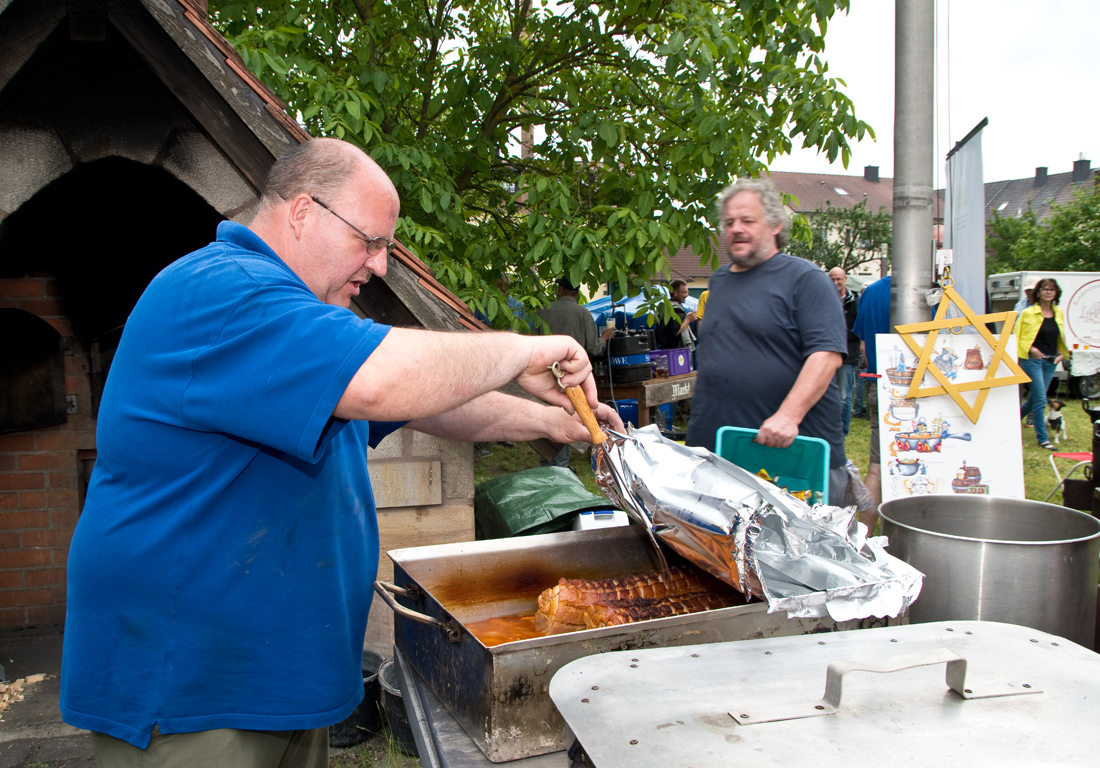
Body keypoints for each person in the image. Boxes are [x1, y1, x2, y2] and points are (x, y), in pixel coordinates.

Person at [60, 138, 623, 766]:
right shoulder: (224, 292)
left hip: (270, 680)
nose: (379, 266)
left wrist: (553, 423)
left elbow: (431, 402)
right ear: (303, 212)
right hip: (192, 690)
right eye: (370, 241)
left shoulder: (295, 321)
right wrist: (524, 352)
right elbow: (384, 378)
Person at [685, 178, 849, 506]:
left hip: (790, 453)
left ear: (775, 225)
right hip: (719, 449)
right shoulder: (719, 281)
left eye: (748, 220)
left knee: (797, 555)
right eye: (730, 222)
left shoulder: (807, 279)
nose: (736, 229)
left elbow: (827, 355)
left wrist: (789, 416)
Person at [537, 277, 616, 466]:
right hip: (574, 375)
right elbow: (595, 348)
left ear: (561, 290)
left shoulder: (542, 310)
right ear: (577, 293)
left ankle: (551, 463)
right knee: (570, 413)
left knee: (548, 417)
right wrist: (605, 336)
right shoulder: (583, 313)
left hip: (545, 374)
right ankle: (562, 466)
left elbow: (533, 341)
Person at [851, 274, 891, 522]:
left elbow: (864, 345)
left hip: (883, 383)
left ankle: (862, 541)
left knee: (876, 467)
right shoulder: (935, 290)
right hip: (930, 390)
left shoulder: (873, 291)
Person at [1014, 277, 1070, 450]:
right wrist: (1032, 349)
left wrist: (1061, 354)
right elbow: (1017, 335)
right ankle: (1043, 439)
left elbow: (1058, 335)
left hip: (1051, 361)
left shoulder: (1058, 312)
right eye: (1044, 289)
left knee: (1033, 400)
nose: (1048, 292)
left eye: (1051, 289)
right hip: (1032, 360)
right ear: (1038, 292)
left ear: (1056, 293)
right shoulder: (1028, 312)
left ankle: (1010, 424)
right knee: (1040, 398)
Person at [828, 267, 860, 435]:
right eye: (832, 279)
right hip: (827, 353)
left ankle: (842, 431)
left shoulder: (855, 300)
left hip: (847, 354)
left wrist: (837, 333)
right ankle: (830, 430)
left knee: (844, 397)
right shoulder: (825, 298)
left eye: (839, 279)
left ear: (845, 279)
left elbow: (858, 329)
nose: (835, 282)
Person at [653, 279, 698, 351]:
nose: (687, 295)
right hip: (675, 352)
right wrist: (688, 320)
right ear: (676, 293)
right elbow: (676, 331)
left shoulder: (665, 307)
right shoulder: (674, 310)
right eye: (684, 292)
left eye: (687, 292)